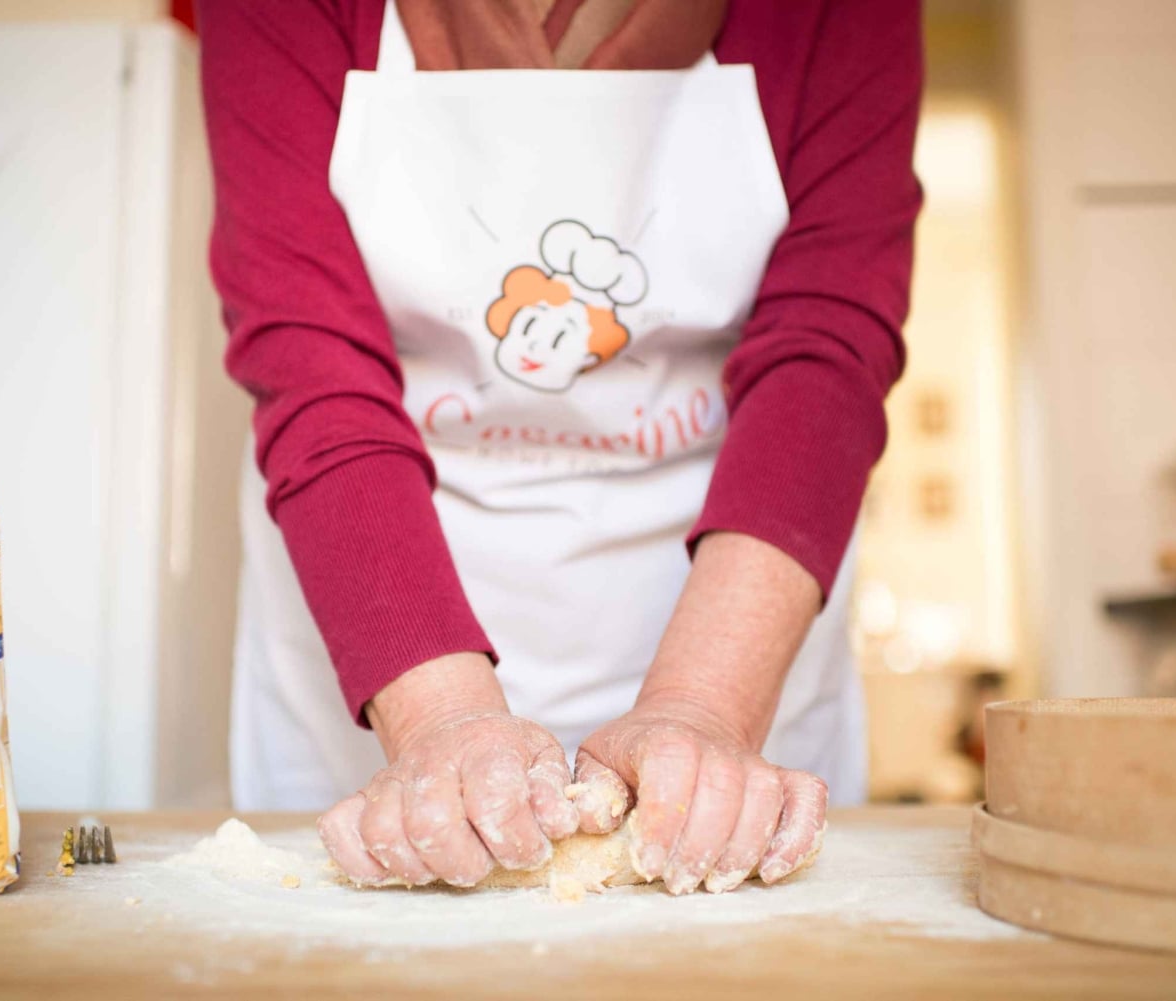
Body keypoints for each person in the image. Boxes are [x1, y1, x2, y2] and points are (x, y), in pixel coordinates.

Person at [198, 0, 922, 894]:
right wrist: (437, 720)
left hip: (725, 611)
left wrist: (703, 706)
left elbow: (826, 349)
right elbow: (312, 360)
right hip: (386, 614)